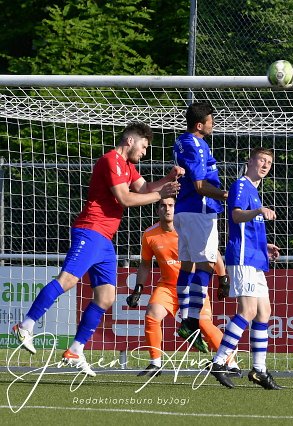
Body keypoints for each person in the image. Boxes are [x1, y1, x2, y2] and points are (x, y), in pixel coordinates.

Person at [12, 122, 183, 376]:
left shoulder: (127, 166)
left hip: (104, 239)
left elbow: (145, 188)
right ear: (130, 141)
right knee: (67, 280)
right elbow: (125, 198)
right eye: (144, 146)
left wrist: (168, 179)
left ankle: (76, 349)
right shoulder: (110, 160)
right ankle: (25, 325)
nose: (145, 152)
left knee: (106, 297)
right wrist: (162, 194)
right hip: (90, 230)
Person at [125, 196, 240, 377]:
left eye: (171, 205)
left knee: (203, 323)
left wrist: (223, 278)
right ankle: (155, 364)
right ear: (157, 210)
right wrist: (138, 288)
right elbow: (145, 264)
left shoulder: (189, 229)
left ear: (176, 208)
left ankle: (231, 364)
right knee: (152, 315)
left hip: (193, 286)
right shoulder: (149, 234)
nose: (167, 209)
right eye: (163, 206)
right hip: (168, 286)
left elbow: (214, 253)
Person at [209, 147, 282, 390]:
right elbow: (237, 216)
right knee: (248, 310)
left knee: (264, 312)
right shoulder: (241, 185)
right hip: (242, 257)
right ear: (249, 161)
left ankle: (259, 370)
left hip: (255, 257)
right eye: (261, 160)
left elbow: (248, 229)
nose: (265, 165)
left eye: (269, 162)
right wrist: (259, 211)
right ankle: (219, 361)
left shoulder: (254, 191)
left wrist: (264, 246)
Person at [172, 102, 228, 354]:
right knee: (206, 264)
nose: (212, 125)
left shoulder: (181, 141)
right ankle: (192, 321)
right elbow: (200, 185)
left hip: (183, 210)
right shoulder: (196, 145)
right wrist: (226, 195)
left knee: (187, 264)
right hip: (199, 210)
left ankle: (186, 318)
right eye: (210, 121)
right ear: (199, 125)